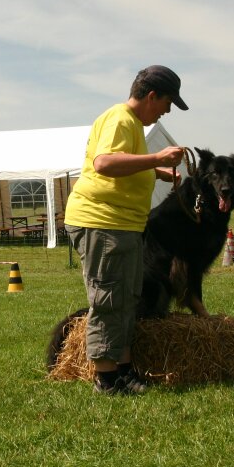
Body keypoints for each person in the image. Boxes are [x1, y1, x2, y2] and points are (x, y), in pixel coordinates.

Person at [64, 65, 188, 395]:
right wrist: (157, 158)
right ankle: (106, 380)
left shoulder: (131, 123)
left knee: (126, 298)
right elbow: (104, 163)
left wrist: (157, 171)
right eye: (167, 103)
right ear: (152, 96)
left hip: (122, 225)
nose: (166, 112)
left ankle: (123, 370)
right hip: (102, 222)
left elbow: (123, 164)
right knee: (108, 299)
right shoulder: (121, 119)